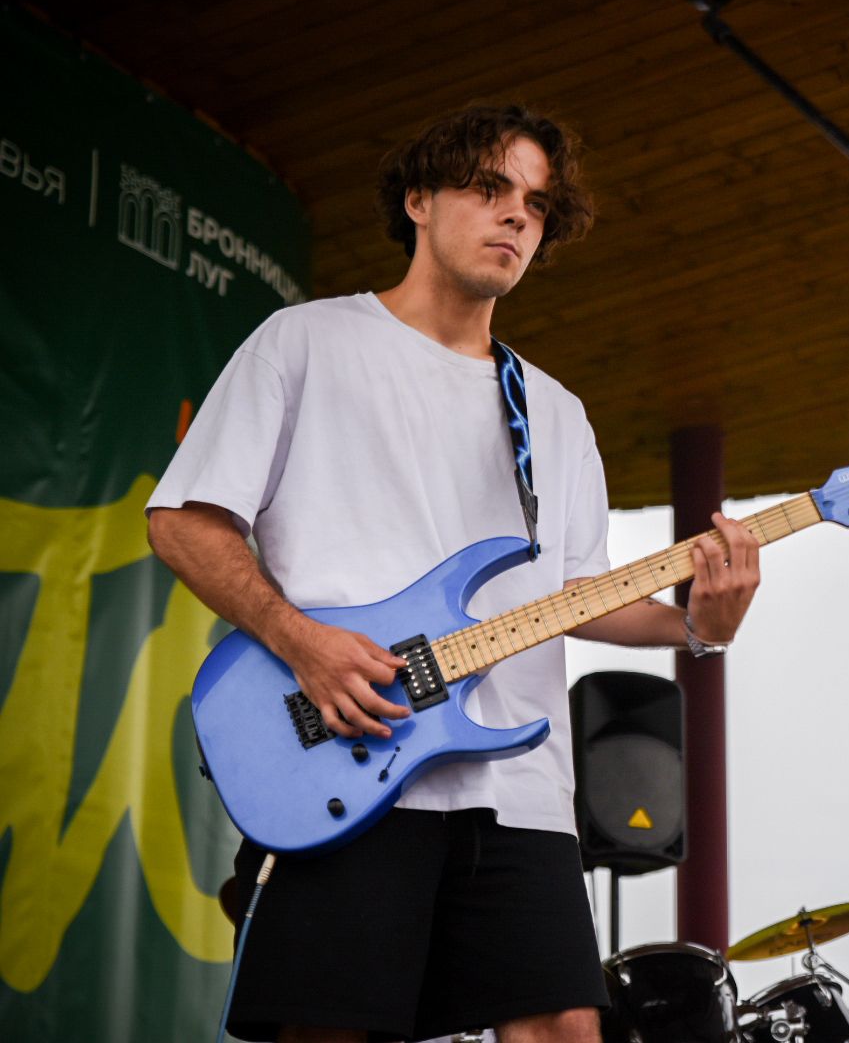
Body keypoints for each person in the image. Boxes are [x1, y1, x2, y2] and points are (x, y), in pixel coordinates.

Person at [146, 104, 761, 1043]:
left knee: (564, 1028)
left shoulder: (554, 413)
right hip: (350, 751)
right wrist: (302, 643)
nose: (517, 215)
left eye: (537, 204)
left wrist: (699, 625)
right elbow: (184, 523)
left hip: (519, 790)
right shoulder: (305, 343)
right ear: (418, 201)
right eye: (489, 188)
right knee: (330, 1030)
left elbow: (574, 597)